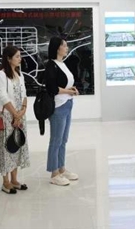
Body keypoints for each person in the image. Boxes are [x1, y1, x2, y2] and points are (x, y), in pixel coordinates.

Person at [0, 45, 30, 194]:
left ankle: (14, 180)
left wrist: (22, 111)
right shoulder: (1, 75)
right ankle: (6, 182)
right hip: (7, 117)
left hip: (19, 116)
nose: (20, 59)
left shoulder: (19, 74)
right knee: (6, 147)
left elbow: (24, 94)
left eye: (20, 56)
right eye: (17, 56)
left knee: (17, 145)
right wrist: (15, 114)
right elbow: (2, 96)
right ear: (8, 59)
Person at [44, 37, 79, 186]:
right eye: (64, 46)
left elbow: (64, 84)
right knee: (56, 140)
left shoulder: (62, 64)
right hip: (58, 106)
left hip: (68, 103)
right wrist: (68, 92)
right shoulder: (51, 65)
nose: (67, 48)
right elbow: (51, 88)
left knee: (63, 140)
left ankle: (61, 169)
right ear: (57, 48)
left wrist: (72, 90)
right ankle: (54, 173)